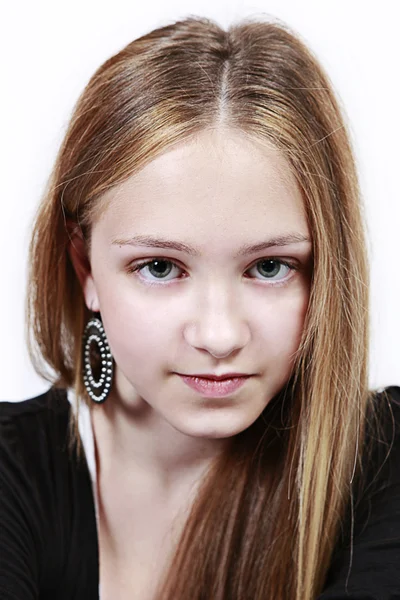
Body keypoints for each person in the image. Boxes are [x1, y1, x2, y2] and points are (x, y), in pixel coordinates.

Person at [0, 14, 399, 600]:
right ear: (84, 268)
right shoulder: (12, 472)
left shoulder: (382, 463)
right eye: (160, 268)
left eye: (270, 267)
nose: (218, 335)